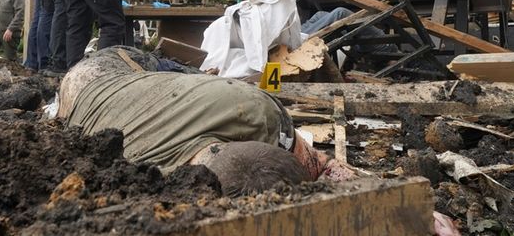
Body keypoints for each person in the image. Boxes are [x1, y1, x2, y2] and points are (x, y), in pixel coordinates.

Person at [59, 47, 360, 196]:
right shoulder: (147, 178)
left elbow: (320, 165)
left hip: (95, 82)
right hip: (110, 67)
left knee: (195, 80)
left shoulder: (260, 111)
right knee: (190, 76)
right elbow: (317, 164)